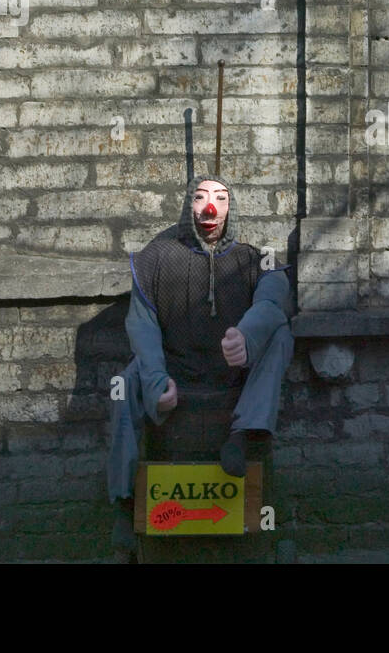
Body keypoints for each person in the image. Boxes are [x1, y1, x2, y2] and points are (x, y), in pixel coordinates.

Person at [107, 174, 294, 549]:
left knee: (281, 334)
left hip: (233, 375)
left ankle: (247, 431)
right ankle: (126, 503)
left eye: (221, 198)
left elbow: (273, 302)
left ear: (231, 207)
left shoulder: (255, 260)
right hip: (175, 370)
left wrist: (246, 335)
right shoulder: (155, 258)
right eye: (201, 197)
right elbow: (141, 327)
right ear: (188, 206)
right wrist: (157, 382)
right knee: (122, 385)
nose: (211, 206)